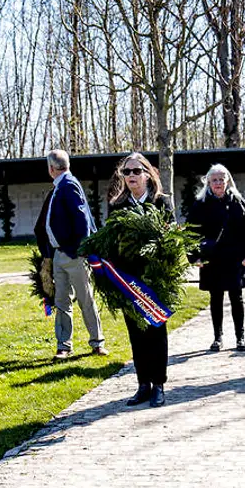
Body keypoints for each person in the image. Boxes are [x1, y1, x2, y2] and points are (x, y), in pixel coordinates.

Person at [109, 152, 175, 406]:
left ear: (148, 174)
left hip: (154, 281)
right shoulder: (117, 205)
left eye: (136, 171)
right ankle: (143, 384)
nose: (131, 176)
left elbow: (171, 241)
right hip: (128, 280)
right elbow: (112, 243)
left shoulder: (162, 203)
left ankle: (158, 384)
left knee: (156, 332)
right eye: (127, 172)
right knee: (136, 333)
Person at [35, 149, 107, 359]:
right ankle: (64, 346)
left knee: (85, 299)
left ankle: (97, 342)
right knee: (62, 302)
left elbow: (82, 220)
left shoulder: (68, 185)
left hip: (74, 255)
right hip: (59, 255)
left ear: (50, 168)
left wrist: (80, 250)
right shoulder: (60, 186)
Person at [189, 163, 245, 352]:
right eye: (214, 180)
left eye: (221, 179)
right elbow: (189, 234)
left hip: (235, 259)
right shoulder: (200, 205)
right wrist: (194, 258)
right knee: (216, 298)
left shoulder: (239, 203)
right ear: (208, 183)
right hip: (211, 259)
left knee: (237, 298)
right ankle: (217, 337)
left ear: (227, 181)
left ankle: (240, 337)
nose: (218, 183)